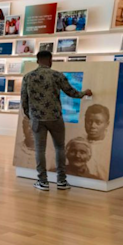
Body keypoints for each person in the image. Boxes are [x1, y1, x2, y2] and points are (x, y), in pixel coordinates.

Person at [19, 50, 92, 191]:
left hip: (37, 119)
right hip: (55, 118)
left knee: (40, 150)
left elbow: (24, 99)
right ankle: (61, 181)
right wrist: (85, 93)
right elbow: (72, 93)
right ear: (50, 60)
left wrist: (30, 115)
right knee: (60, 148)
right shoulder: (57, 75)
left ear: (37, 61)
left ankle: (43, 182)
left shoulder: (28, 77)